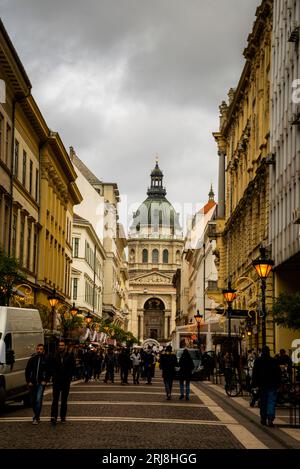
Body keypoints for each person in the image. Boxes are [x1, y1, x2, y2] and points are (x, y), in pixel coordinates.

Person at [252, 345, 282, 427]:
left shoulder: (258, 361)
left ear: (262, 352)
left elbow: (255, 373)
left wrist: (254, 384)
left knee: (263, 401)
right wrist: (279, 384)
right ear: (269, 352)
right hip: (272, 384)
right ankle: (270, 418)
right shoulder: (273, 361)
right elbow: (278, 374)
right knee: (271, 401)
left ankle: (263, 418)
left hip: (262, 385)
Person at [49, 339, 75, 425]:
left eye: (62, 345)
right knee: (55, 399)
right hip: (56, 380)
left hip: (65, 381)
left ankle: (63, 417)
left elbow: (72, 367)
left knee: (64, 400)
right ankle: (53, 417)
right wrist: (54, 375)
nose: (61, 347)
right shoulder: (54, 355)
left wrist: (69, 377)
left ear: (65, 346)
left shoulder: (70, 355)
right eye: (59, 345)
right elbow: (51, 366)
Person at [25, 343, 50, 424]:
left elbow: (48, 372)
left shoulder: (46, 360)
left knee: (38, 400)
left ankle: (36, 417)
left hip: (40, 383)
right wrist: (28, 381)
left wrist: (45, 380)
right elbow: (27, 371)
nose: (39, 350)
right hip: (32, 383)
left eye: (41, 349)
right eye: (38, 349)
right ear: (36, 349)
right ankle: (37, 416)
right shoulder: (32, 359)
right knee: (32, 401)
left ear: (43, 350)